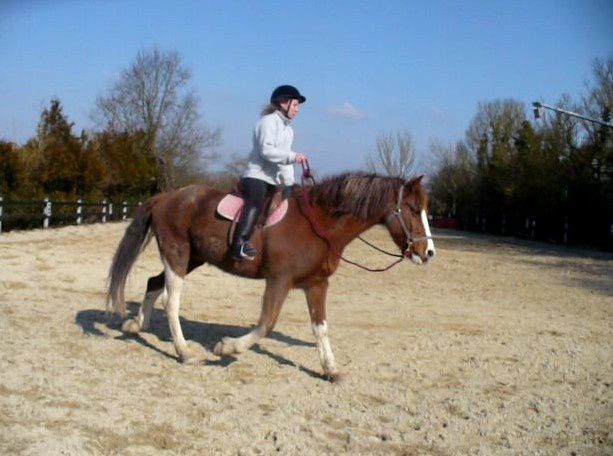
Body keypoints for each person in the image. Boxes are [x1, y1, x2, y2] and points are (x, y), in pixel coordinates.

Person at [231, 85, 308, 261]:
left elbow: (284, 162)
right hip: (256, 176)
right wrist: (293, 156)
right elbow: (267, 152)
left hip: (273, 180)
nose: (297, 110)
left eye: (298, 107)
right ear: (283, 103)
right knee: (255, 202)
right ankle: (239, 244)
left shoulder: (289, 130)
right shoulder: (267, 122)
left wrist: (290, 184)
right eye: (295, 105)